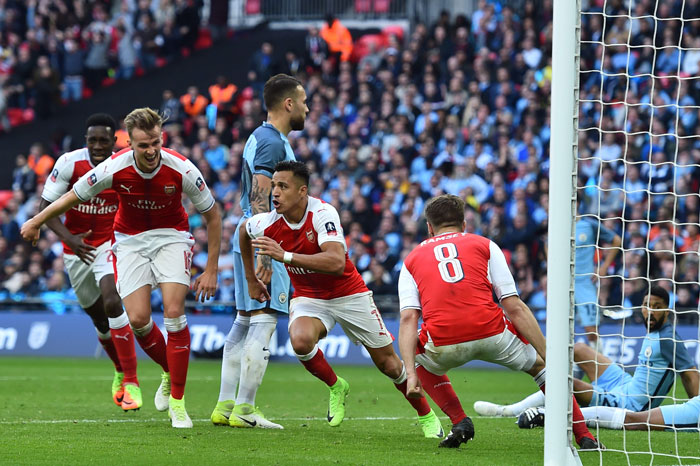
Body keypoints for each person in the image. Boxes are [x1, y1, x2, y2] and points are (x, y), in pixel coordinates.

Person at [21, 107, 221, 428]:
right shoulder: (113, 167)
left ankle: (178, 403)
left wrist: (210, 269)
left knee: (173, 311)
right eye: (143, 145)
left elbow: (212, 215)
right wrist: (35, 221)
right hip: (128, 240)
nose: (151, 150)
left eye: (156, 142)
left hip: (172, 237)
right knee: (139, 320)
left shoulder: (182, 168)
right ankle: (169, 371)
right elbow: (70, 197)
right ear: (130, 145)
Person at [241, 161, 444, 438]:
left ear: (302, 191)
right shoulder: (267, 222)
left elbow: (336, 262)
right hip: (310, 297)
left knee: (390, 365)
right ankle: (336, 386)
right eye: (274, 186)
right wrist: (252, 278)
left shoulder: (323, 213)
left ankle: (426, 415)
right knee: (300, 341)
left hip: (349, 294)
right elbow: (244, 231)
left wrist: (284, 256)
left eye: (283, 187)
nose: (274, 193)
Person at [397, 194, 602, 449]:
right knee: (541, 368)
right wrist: (548, 354)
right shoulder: (485, 245)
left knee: (417, 357)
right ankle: (584, 436)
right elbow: (513, 305)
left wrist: (411, 374)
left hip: (443, 341)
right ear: (464, 224)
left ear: (429, 228)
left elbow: (408, 319)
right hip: (492, 332)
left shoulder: (411, 259)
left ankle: (460, 420)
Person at [210, 74, 307, 429]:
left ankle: (224, 404)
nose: (307, 108)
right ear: (288, 104)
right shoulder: (270, 142)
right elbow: (261, 194)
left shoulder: (261, 137)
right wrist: (266, 253)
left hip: (248, 235)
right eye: (304, 101)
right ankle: (246, 409)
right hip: (263, 239)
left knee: (244, 320)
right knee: (263, 322)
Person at [480, 286, 698, 426]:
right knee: (580, 350)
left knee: (565, 382)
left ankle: (511, 410)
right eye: (646, 306)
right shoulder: (656, 331)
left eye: (656, 307)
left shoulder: (669, 339)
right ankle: (573, 397)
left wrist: (695, 406)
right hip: (626, 384)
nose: (649, 312)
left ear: (667, 311)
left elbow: (690, 374)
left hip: (630, 403)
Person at [40, 113, 139, 410]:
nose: (97, 145)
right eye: (92, 140)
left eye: (103, 140)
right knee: (98, 318)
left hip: (111, 243)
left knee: (112, 302)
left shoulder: (124, 163)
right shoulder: (70, 163)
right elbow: (45, 207)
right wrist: (69, 239)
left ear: (114, 141)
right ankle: (120, 370)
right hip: (76, 249)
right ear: (86, 140)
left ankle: (131, 380)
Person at [575, 197, 622, 347]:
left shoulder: (588, 224)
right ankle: (571, 365)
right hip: (562, 284)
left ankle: (598, 365)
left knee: (591, 330)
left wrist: (604, 267)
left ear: (576, 203)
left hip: (584, 283)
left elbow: (616, 241)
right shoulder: (556, 226)